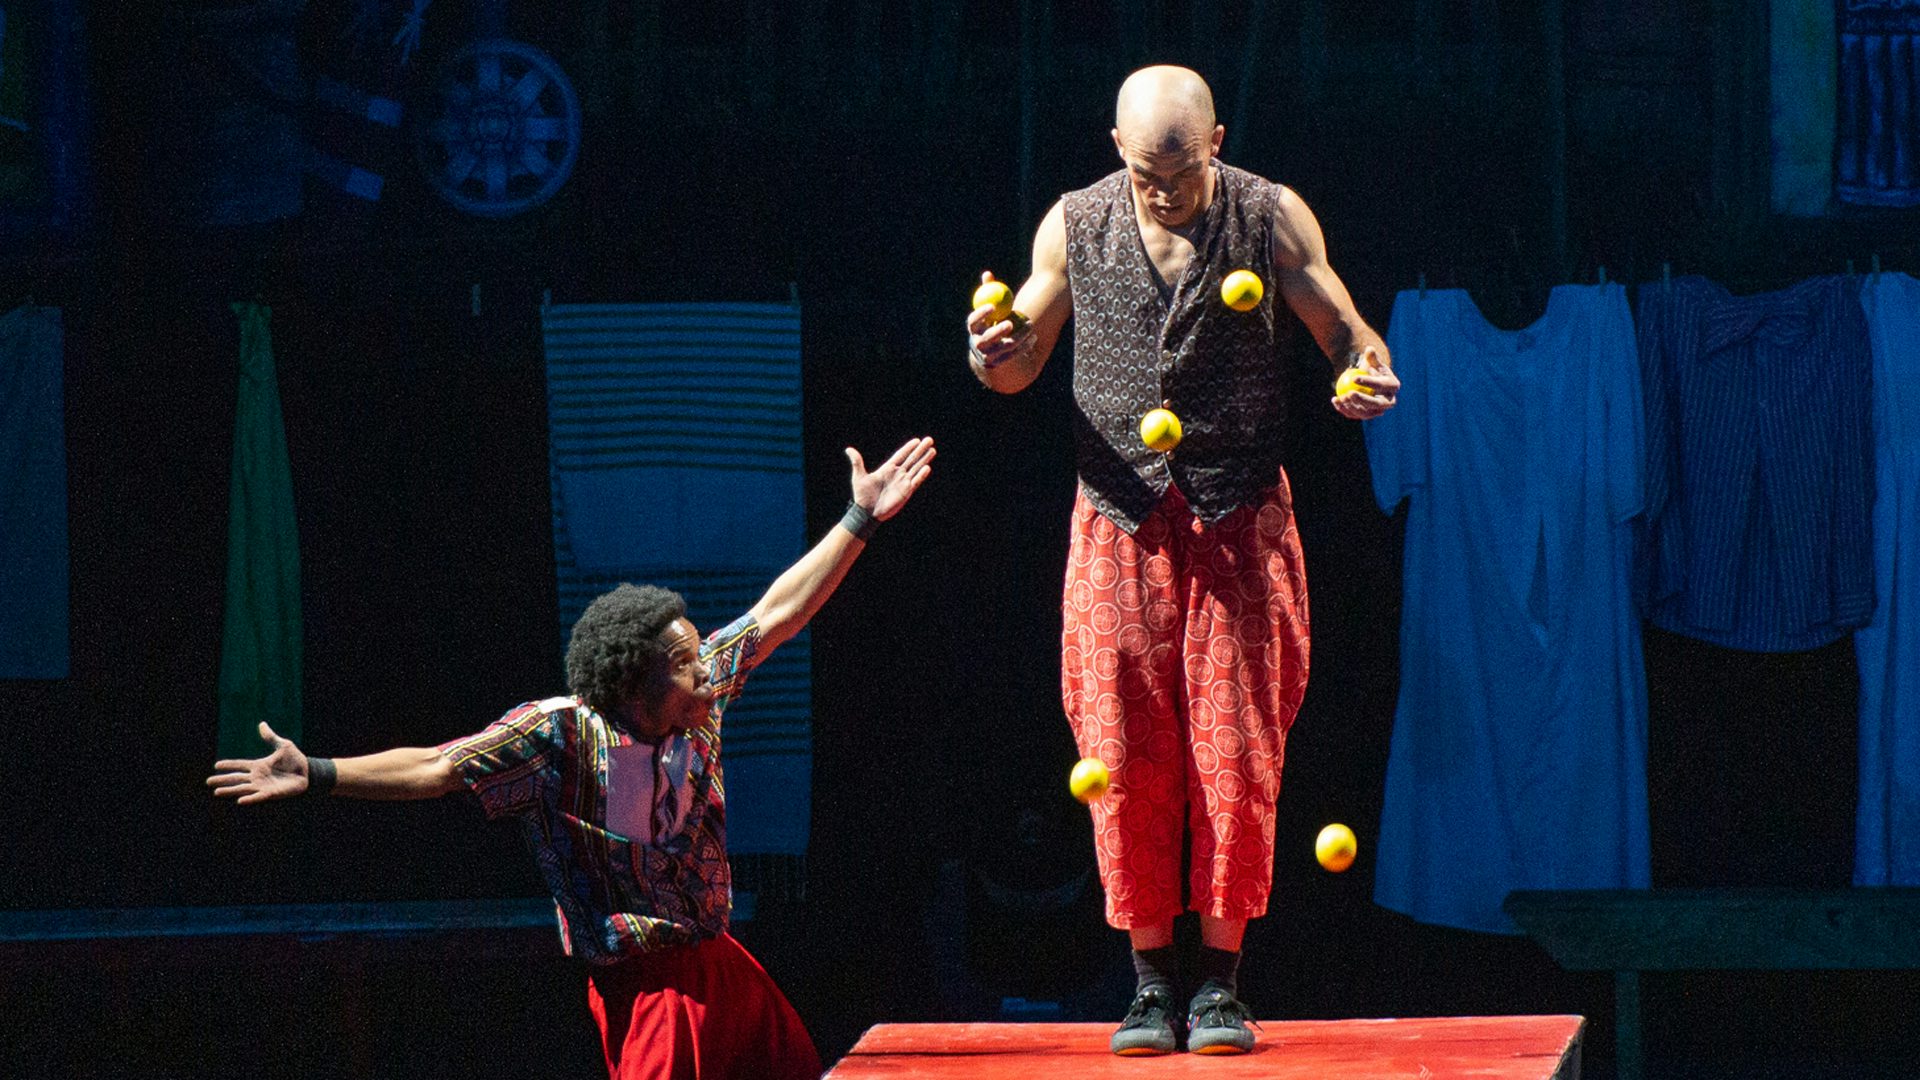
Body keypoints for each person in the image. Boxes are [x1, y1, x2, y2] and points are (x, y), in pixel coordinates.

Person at [209, 436, 937, 1080]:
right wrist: (320, 773)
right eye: (686, 664)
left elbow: (779, 612)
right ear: (636, 683)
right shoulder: (559, 736)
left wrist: (860, 519)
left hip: (721, 962)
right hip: (645, 987)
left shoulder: (701, 697)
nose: (708, 671)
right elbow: (438, 767)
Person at [964, 65, 1398, 1056]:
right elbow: (1017, 361)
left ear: (1217, 141)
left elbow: (1344, 328)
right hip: (1118, 518)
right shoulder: (1072, 224)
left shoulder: (1271, 215)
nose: (1168, 192)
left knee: (1237, 752)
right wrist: (990, 351)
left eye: (1185, 172)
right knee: (1119, 754)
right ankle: (1150, 982)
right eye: (1149, 174)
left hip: (1239, 521)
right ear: (1116, 146)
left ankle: (1221, 987)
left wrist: (1364, 371)